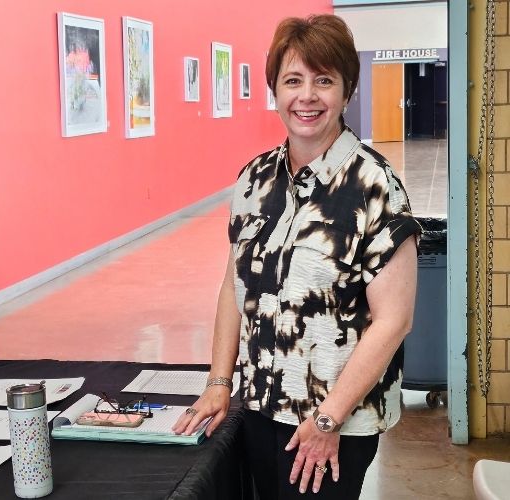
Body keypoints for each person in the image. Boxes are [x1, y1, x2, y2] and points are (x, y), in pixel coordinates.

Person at [173, 14, 421, 500]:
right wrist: (220, 381)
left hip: (333, 422)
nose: (306, 96)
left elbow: (394, 322)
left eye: (323, 80)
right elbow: (233, 286)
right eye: (293, 81)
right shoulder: (255, 179)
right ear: (275, 92)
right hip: (260, 405)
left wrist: (329, 418)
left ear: (346, 91)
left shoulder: (376, 188)